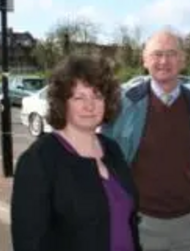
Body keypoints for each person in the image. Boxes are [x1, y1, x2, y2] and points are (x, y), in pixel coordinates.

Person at [102, 29, 190, 251]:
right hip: (141, 223)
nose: (164, 61)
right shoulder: (123, 105)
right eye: (157, 54)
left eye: (171, 53)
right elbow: (105, 155)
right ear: (145, 60)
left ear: (183, 60)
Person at [11, 56, 141, 251]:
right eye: (78, 97)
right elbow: (30, 243)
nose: (90, 105)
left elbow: (128, 222)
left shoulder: (112, 149)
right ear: (63, 102)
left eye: (97, 96)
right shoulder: (38, 161)